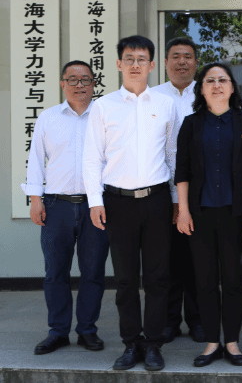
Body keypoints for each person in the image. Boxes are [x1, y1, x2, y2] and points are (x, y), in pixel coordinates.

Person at [83, 35, 180, 371]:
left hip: (157, 201)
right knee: (125, 279)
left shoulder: (165, 105)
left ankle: (153, 344)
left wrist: (176, 201)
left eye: (141, 59)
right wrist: (95, 201)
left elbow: (172, 155)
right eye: (129, 59)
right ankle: (130, 343)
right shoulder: (103, 106)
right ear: (118, 64)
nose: (135, 64)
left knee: (157, 277)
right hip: (118, 202)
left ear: (152, 65)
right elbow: (92, 157)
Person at [175, 63, 242, 367]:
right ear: (201, 88)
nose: (216, 85)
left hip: (234, 213)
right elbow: (182, 171)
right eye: (209, 80)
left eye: (222, 80)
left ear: (232, 87)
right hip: (199, 214)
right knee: (205, 280)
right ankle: (212, 342)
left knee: (234, 280)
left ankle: (232, 342)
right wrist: (183, 211)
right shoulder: (191, 124)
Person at [24, 61, 110, 355]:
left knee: (93, 271)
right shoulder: (48, 118)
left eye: (85, 79)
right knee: (55, 272)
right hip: (55, 205)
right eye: (72, 79)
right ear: (62, 84)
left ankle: (87, 330)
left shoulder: (104, 116)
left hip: (95, 206)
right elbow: (36, 160)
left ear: (94, 84)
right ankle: (58, 331)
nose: (79, 85)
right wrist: (35, 199)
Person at [151, 37, 203, 344]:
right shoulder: (153, 97)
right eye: (175, 56)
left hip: (200, 192)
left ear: (196, 62)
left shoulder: (207, 93)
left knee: (197, 259)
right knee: (167, 260)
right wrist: (172, 198)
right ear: (165, 62)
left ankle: (197, 320)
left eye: (187, 56)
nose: (181, 62)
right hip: (162, 191)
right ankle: (169, 321)